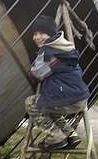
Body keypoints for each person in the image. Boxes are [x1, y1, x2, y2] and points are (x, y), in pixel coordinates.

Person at [25, 15, 90, 150]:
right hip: (80, 98)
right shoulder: (65, 47)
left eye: (41, 33)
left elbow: (37, 73)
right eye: (35, 34)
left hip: (70, 99)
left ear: (50, 34)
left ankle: (56, 138)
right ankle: (71, 134)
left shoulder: (49, 52)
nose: (36, 37)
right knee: (50, 108)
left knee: (31, 103)